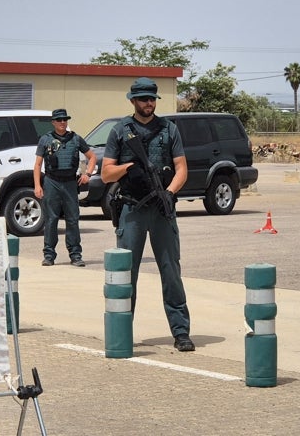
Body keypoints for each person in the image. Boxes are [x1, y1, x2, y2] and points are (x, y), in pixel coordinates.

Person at [101, 77, 195, 352]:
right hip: (132, 209)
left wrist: (170, 192)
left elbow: (181, 169)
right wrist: (128, 168)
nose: (148, 103)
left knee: (171, 270)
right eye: (143, 99)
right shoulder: (120, 131)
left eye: (152, 98)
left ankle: (181, 332)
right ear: (133, 101)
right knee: (126, 273)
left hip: (161, 208)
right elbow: (107, 173)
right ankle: (121, 332)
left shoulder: (169, 129)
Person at [34, 108, 96, 266]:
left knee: (73, 219)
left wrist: (87, 174)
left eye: (65, 120)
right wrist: (37, 185)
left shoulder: (75, 138)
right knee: (51, 219)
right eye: (59, 120)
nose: (62, 122)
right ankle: (49, 255)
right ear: (53, 122)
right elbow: (38, 164)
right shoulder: (45, 139)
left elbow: (92, 157)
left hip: (69, 182)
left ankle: (75, 255)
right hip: (51, 181)